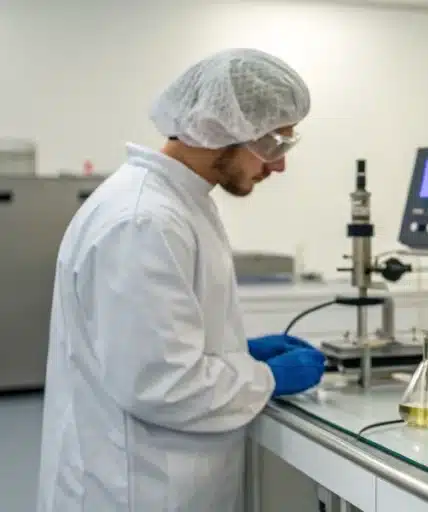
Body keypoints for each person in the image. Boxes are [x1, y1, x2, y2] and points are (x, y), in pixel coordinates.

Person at [36, 48, 325, 512]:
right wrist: (266, 377)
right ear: (222, 128)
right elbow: (159, 381)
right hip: (135, 487)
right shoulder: (144, 220)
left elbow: (153, 343)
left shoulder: (178, 203)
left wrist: (234, 352)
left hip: (160, 477)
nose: (278, 166)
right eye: (273, 145)